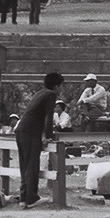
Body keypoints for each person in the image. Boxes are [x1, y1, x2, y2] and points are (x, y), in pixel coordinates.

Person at [13, 72, 65, 208]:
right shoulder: (51, 95)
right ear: (56, 86)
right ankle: (31, 198)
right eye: (61, 86)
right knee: (32, 165)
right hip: (30, 131)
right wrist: (48, 136)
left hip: (21, 130)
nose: (61, 89)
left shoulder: (39, 93)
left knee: (25, 165)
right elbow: (48, 117)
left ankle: (23, 198)